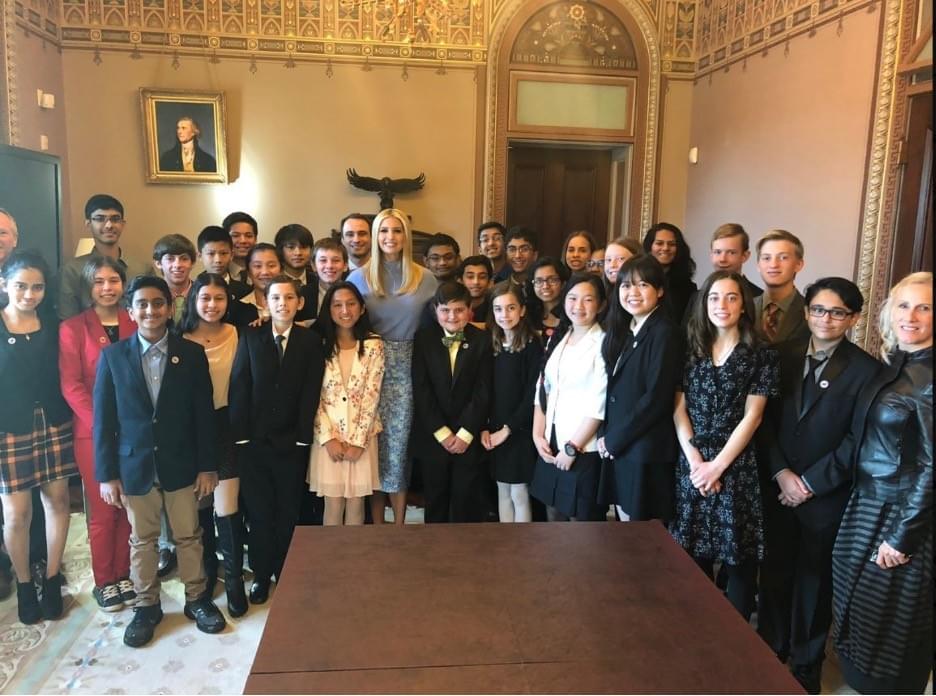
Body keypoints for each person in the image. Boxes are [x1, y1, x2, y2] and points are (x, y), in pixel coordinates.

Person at [756, 276, 880, 693]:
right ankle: (770, 649)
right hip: (777, 486)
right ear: (807, 312)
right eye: (818, 309)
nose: (826, 318)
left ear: (854, 318)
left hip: (824, 495)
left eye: (837, 312)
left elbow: (858, 439)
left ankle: (806, 667)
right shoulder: (779, 355)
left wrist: (809, 482)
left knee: (813, 582)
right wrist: (781, 473)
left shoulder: (868, 371)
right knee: (773, 573)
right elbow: (763, 424)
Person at [94, 275, 226, 647]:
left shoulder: (191, 354)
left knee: (189, 535)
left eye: (158, 303)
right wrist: (107, 475)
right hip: (134, 466)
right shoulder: (113, 357)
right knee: (143, 539)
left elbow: (203, 415)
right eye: (142, 304)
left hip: (183, 464)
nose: (150, 310)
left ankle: (197, 599)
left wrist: (208, 465)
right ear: (131, 311)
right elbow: (103, 421)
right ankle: (146, 605)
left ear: (170, 308)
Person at [831, 271, 932, 694]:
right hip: (865, 506)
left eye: (925, 307)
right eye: (904, 305)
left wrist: (902, 537)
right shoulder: (893, 364)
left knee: (891, 632)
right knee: (858, 618)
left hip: (903, 516)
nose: (912, 315)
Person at [669, 270, 779, 619]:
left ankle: (736, 643)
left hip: (737, 467)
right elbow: (678, 410)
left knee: (739, 561)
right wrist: (697, 464)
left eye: (732, 297)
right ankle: (697, 631)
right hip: (692, 463)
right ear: (704, 303)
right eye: (714, 297)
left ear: (744, 305)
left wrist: (717, 466)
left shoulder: (762, 353)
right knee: (693, 556)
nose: (722, 305)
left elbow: (754, 417)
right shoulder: (690, 349)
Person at [229, 275, 324, 604]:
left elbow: (311, 392)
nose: (282, 304)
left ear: (299, 302)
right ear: (266, 303)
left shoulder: (311, 342)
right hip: (254, 443)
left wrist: (302, 438)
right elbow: (239, 385)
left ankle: (286, 570)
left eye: (289, 298)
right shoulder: (251, 335)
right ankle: (261, 572)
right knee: (258, 512)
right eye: (275, 298)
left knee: (287, 510)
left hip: (291, 444)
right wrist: (239, 436)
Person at [347, 208, 437, 525]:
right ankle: (376, 524)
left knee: (398, 448)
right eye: (383, 231)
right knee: (371, 445)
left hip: (409, 366)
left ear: (406, 236)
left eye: (396, 231)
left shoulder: (425, 278)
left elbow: (442, 322)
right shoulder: (358, 277)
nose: (390, 237)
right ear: (375, 236)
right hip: (368, 363)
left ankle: (398, 524)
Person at [0, 251, 76, 624]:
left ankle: (50, 579)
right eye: (21, 286)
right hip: (8, 427)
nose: (29, 294)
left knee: (58, 502)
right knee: (16, 515)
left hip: (54, 422)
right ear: (4, 285)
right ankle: (26, 585)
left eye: (37, 287)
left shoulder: (54, 323)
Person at [59, 257, 136, 612]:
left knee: (128, 506)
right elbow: (72, 385)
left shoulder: (134, 320)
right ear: (88, 287)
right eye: (99, 281)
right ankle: (105, 580)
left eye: (114, 280)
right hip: (93, 433)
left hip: (134, 429)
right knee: (103, 510)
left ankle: (124, 575)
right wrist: (103, 424)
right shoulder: (74, 328)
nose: (108, 287)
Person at [177, 272, 248, 618]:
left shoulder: (238, 334)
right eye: (205, 298)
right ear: (194, 300)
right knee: (200, 507)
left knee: (227, 507)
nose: (212, 305)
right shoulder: (179, 338)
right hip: (191, 430)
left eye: (219, 298)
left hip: (228, 427)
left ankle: (234, 581)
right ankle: (205, 578)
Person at [597, 255, 682, 522]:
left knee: (641, 535)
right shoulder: (625, 330)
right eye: (625, 285)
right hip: (624, 447)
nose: (632, 292)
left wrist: (614, 439)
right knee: (624, 527)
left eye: (642, 285)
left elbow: (656, 398)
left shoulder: (665, 332)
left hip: (645, 449)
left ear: (659, 290)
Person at [411, 282, 492, 523]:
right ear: (436, 311)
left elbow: (483, 390)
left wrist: (466, 433)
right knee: (435, 500)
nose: (452, 316)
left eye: (458, 310)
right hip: (435, 436)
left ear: (469, 311)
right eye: (445, 310)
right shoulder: (424, 339)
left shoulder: (482, 340)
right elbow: (422, 389)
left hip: (469, 436)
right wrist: (442, 432)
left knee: (465, 501)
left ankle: (465, 557)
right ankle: (434, 557)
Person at [530, 273, 607, 522]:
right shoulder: (559, 335)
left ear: (601, 305)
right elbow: (543, 387)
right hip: (552, 439)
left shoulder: (604, 342)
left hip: (583, 447)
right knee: (553, 513)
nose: (579, 306)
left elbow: (599, 403)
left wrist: (572, 447)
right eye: (573, 298)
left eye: (588, 300)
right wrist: (537, 433)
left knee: (581, 523)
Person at [308, 282, 383, 526]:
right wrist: (328, 438)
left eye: (351, 304)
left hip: (361, 437)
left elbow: (372, 396)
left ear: (362, 309)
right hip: (327, 438)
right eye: (337, 305)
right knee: (332, 504)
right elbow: (312, 396)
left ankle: (354, 563)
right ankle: (331, 562)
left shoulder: (374, 344)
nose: (345, 310)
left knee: (356, 505)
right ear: (328, 309)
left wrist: (358, 442)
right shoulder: (316, 344)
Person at [482, 282, 542, 523]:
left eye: (510, 308)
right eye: (498, 309)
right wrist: (486, 427)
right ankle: (507, 544)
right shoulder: (492, 343)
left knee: (519, 491)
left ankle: (522, 547)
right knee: (502, 490)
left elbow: (532, 395)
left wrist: (508, 429)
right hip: (496, 429)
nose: (504, 315)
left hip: (519, 430)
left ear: (522, 310)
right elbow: (486, 389)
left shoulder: (531, 345)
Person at [58, 194, 150, 320]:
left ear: (123, 224)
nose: (109, 225)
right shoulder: (73, 270)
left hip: (134, 336)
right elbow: (68, 319)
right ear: (88, 223)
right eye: (100, 219)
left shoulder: (141, 269)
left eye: (115, 219)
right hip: (87, 337)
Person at [754, 229, 809, 345]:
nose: (773, 265)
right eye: (766, 258)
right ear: (758, 265)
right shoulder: (743, 309)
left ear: (799, 265)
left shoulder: (811, 313)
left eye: (783, 257)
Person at [642, 222, 697, 322]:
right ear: (649, 247)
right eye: (659, 243)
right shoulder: (638, 280)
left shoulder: (688, 288)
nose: (666, 248)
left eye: (671, 244)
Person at [196, 225, 251, 312]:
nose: (218, 260)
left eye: (224, 253)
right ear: (199, 256)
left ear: (231, 255)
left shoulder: (245, 291)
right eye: (211, 254)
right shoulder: (192, 289)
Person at [230, 243, 282, 326]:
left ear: (281, 270)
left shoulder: (293, 304)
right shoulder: (237, 308)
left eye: (271, 266)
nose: (265, 272)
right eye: (258, 266)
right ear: (249, 272)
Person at [151, 234, 196, 323]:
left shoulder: (202, 294)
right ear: (158, 263)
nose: (177, 265)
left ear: (192, 263)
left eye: (184, 258)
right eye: (170, 259)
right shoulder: (150, 295)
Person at [526, 257, 568, 345]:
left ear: (563, 283)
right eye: (539, 281)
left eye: (552, 280)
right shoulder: (528, 315)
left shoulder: (571, 315)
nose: (545, 286)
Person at [311, 237, 350, 316]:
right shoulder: (303, 294)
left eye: (336, 260)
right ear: (314, 266)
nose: (329, 266)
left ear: (345, 265)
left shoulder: (355, 294)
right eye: (323, 260)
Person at [223, 212, 258, 283]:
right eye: (235, 236)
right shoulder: (215, 275)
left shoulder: (264, 274)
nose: (243, 241)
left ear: (255, 239)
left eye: (248, 236)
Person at [457, 255, 493, 324]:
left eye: (482, 277)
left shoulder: (495, 306)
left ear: (490, 282)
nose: (476, 282)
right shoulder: (453, 306)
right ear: (460, 281)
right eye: (470, 277)